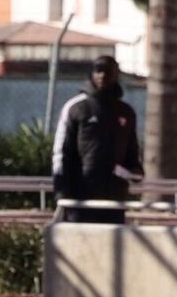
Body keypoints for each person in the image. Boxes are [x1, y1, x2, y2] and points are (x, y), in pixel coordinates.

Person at [52, 55, 143, 224]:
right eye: (98, 71)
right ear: (91, 74)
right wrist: (62, 191)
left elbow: (132, 151)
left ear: (116, 75)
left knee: (112, 241)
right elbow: (62, 152)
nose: (102, 76)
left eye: (108, 71)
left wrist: (135, 170)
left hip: (114, 197)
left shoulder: (125, 112)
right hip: (80, 197)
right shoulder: (76, 108)